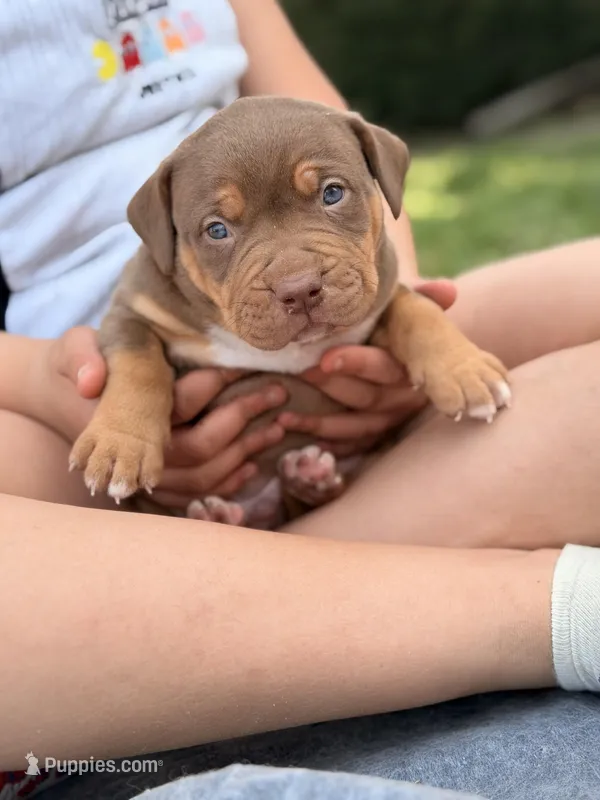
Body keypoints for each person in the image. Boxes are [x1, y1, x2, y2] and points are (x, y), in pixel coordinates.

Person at [0, 1, 599, 798]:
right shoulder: (154, 283)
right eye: (220, 230)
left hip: (344, 342)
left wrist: (396, 305)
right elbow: (129, 336)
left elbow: (333, 127)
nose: (294, 277)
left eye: (327, 198)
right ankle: (514, 593)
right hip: (63, 384)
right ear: (172, 240)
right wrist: (60, 384)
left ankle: (303, 534)